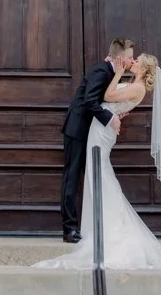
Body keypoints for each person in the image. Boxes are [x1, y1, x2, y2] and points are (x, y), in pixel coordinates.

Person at [37, 51, 161, 270]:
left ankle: (107, 228)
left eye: (137, 61)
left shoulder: (137, 87)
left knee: (100, 173)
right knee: (97, 173)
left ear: (144, 69)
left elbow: (107, 97)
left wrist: (116, 75)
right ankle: (95, 226)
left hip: (102, 131)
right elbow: (109, 101)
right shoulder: (134, 85)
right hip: (99, 127)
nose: (133, 62)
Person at [58, 38, 132, 242]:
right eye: (129, 57)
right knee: (71, 177)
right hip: (77, 129)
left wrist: (114, 112)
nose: (131, 61)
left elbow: (100, 100)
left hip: (89, 131)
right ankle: (69, 229)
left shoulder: (111, 73)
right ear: (118, 58)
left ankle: (85, 226)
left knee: (88, 176)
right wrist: (109, 118)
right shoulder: (101, 71)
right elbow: (90, 100)